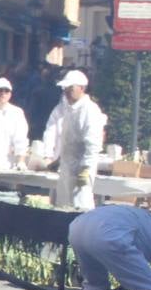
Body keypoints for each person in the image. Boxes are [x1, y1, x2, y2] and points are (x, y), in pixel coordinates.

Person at [41, 70, 105, 210]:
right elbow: (67, 140)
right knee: (63, 206)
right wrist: (57, 160)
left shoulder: (90, 110)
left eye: (71, 88)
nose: (66, 92)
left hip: (80, 169)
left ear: (82, 88)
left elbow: (93, 144)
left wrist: (86, 168)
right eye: (65, 89)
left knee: (80, 206)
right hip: (66, 166)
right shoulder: (68, 109)